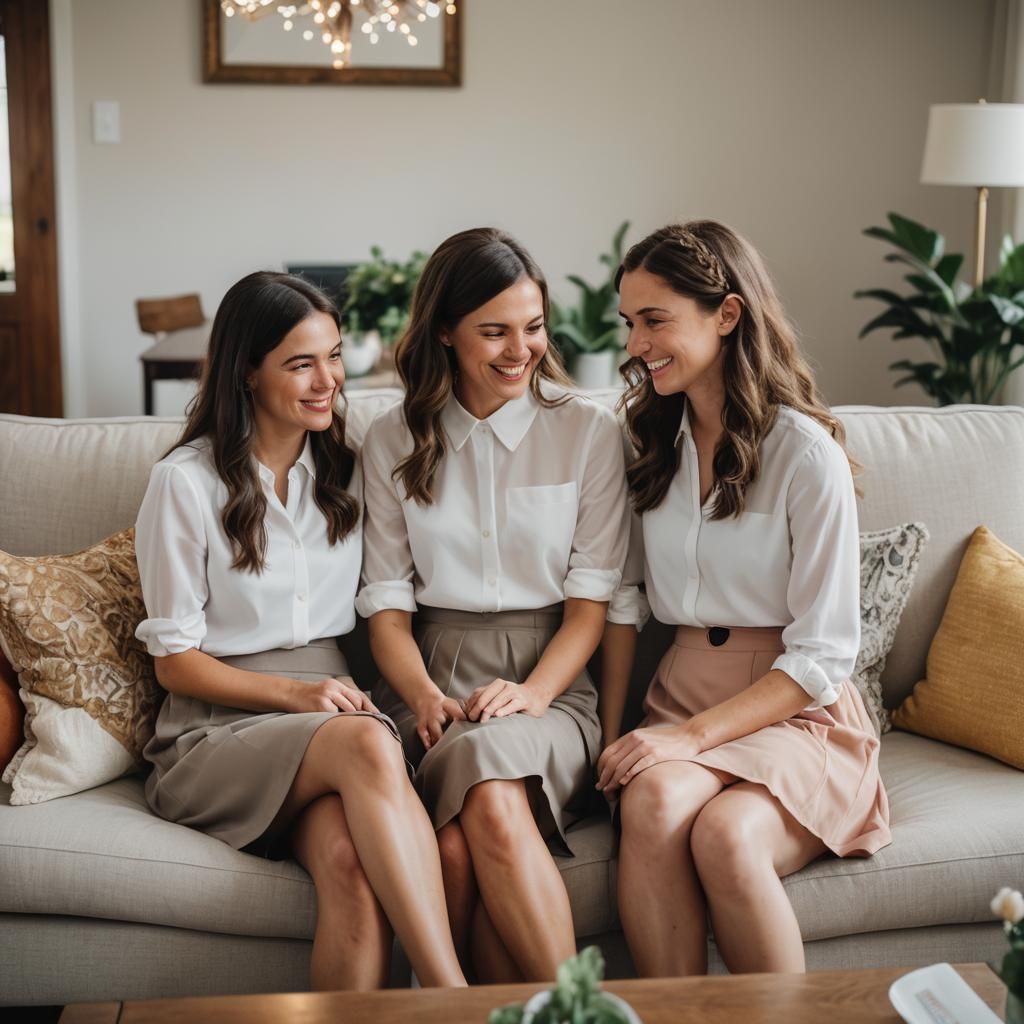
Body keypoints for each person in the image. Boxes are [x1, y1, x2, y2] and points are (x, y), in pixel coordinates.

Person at [134, 271, 465, 991]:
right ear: (247, 370)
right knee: (369, 738)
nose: (329, 381)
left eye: (335, 356)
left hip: (329, 717)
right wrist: (298, 693)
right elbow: (175, 665)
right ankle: (455, 996)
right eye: (300, 363)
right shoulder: (185, 483)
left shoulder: (347, 468)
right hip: (216, 724)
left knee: (349, 866)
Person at [597, 221, 891, 977]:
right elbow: (622, 598)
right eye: (630, 323)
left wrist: (692, 739)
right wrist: (616, 729)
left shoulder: (805, 455)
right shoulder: (646, 447)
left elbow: (825, 652)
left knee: (726, 835)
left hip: (796, 714)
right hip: (682, 691)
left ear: (726, 315)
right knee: (653, 803)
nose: (636, 343)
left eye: (655, 319)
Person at [356, 228, 630, 982]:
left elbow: (589, 610)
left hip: (550, 682)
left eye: (534, 327)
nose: (521, 350)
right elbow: (386, 613)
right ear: (444, 331)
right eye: (496, 332)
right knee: (452, 846)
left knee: (482, 784)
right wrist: (421, 697)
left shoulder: (587, 431)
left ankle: (579, 1009)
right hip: (429, 681)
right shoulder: (392, 438)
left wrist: (534, 694)